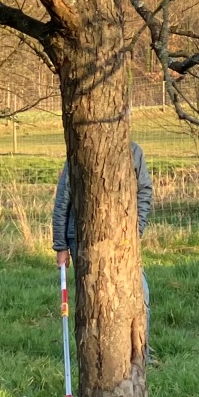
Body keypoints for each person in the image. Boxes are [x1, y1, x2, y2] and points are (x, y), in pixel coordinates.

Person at [53, 141, 155, 346]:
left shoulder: (133, 152)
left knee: (140, 293)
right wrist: (61, 245)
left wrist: (136, 230)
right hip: (82, 240)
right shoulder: (80, 149)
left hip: (123, 240)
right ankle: (96, 351)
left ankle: (141, 352)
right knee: (95, 301)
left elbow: (144, 191)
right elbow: (63, 199)